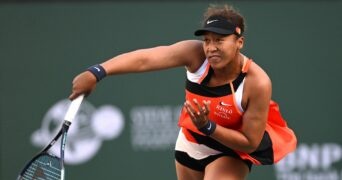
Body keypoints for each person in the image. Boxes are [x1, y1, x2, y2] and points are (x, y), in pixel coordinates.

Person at [69, 4, 297, 180]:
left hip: (231, 151)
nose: (211, 47)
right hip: (190, 143)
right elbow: (145, 59)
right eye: (207, 40)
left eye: (220, 40)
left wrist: (209, 127)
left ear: (239, 42)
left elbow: (249, 142)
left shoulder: (257, 82)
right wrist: (97, 71)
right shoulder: (195, 54)